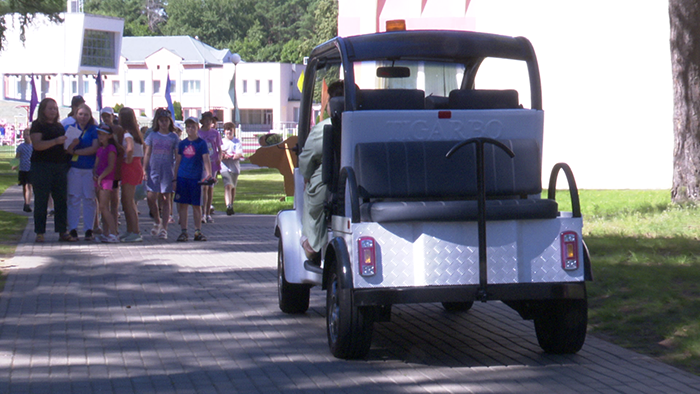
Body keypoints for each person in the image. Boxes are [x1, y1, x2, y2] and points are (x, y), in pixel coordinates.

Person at [298, 80, 344, 263]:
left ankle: (312, 244)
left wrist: (307, 177)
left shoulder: (323, 128)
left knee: (311, 195)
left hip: (331, 187)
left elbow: (306, 160)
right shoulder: (371, 123)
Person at [29, 98, 75, 243]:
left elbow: (64, 146)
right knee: (41, 200)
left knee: (61, 199)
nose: (53, 111)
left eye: (55, 108)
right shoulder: (37, 125)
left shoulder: (59, 126)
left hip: (59, 166)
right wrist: (55, 141)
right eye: (50, 108)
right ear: (43, 110)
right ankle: (40, 232)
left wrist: (71, 144)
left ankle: (62, 230)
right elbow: (37, 145)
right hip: (41, 166)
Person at [174, 117, 212, 242]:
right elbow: (178, 161)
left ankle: (197, 231)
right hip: (182, 177)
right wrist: (175, 178)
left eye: (193, 127)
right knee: (183, 205)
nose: (190, 129)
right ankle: (184, 231)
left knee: (196, 205)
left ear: (197, 128)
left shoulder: (201, 143)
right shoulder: (182, 143)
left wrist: (209, 174)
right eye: (188, 127)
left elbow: (206, 159)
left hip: (195, 178)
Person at [142, 108, 179, 239]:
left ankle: (164, 227)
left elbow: (177, 156)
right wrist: (144, 168)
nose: (163, 123)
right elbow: (147, 152)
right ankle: (157, 220)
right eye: (161, 121)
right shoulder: (152, 135)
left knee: (166, 198)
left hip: (167, 171)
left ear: (170, 122)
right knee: (151, 197)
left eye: (166, 121)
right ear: (157, 122)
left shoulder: (173, 137)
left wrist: (175, 174)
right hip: (153, 169)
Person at [65, 103, 99, 241]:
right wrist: (72, 147)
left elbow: (94, 148)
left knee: (89, 199)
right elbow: (66, 149)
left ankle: (88, 229)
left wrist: (76, 151)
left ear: (90, 116)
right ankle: (72, 228)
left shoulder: (94, 129)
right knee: (74, 198)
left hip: (89, 169)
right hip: (74, 168)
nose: (83, 117)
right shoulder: (70, 128)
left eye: (86, 115)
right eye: (80, 114)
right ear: (76, 115)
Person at [117, 107, 145, 242]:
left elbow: (130, 149)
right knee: (127, 201)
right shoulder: (136, 133)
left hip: (130, 166)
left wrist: (127, 159)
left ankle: (135, 231)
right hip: (136, 165)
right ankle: (130, 230)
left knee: (128, 201)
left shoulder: (127, 133)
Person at [93, 125, 119, 243]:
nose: (100, 137)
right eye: (99, 134)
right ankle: (105, 232)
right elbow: (96, 164)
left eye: (103, 134)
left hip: (107, 180)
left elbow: (110, 166)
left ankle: (113, 233)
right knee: (101, 207)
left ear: (109, 136)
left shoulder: (111, 148)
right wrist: (95, 174)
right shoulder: (100, 149)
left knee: (104, 207)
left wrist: (101, 177)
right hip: (98, 179)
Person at [197, 111, 222, 223]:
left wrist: (219, 159)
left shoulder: (215, 133)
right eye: (206, 120)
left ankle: (208, 213)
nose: (208, 122)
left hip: (213, 162)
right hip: (202, 162)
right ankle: (202, 213)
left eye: (210, 120)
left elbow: (219, 149)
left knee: (210, 188)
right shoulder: (198, 133)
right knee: (204, 187)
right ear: (202, 121)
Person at [220, 122, 243, 215]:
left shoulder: (236, 141)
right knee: (227, 185)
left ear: (233, 131)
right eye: (227, 130)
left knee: (233, 187)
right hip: (224, 167)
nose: (229, 132)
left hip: (234, 167)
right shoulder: (221, 141)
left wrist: (235, 155)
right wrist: (223, 155)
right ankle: (228, 205)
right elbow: (219, 153)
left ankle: (231, 204)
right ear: (224, 131)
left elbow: (239, 153)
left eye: (231, 130)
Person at [13, 128, 33, 212]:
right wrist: (14, 164)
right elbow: (17, 157)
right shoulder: (21, 146)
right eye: (24, 135)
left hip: (31, 169)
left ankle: (27, 204)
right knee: (24, 186)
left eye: (28, 134)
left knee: (29, 186)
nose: (26, 136)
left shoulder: (34, 146)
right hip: (23, 169)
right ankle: (26, 201)